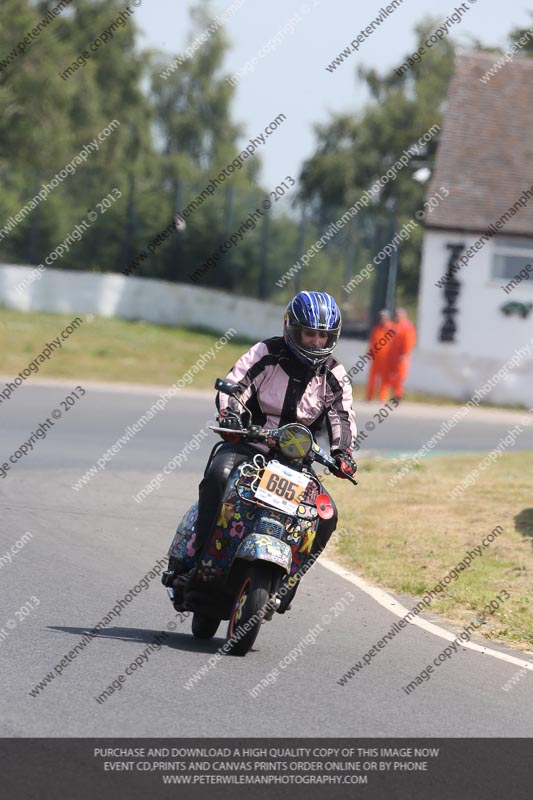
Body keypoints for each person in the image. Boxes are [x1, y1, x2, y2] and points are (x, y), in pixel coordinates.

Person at [188, 291, 358, 607]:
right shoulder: (266, 352)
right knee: (217, 475)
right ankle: (200, 554)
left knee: (327, 515)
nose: (316, 342)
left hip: (296, 461)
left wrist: (343, 453)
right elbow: (236, 385)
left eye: (323, 335)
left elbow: (343, 416)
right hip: (248, 445)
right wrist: (230, 414)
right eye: (309, 333)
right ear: (291, 329)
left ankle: (287, 581)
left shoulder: (334, 374)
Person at [383, 307, 416, 401]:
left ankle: (398, 395)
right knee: (392, 376)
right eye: (396, 314)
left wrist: (404, 354)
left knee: (399, 376)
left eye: (399, 314)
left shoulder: (407, 326)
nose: (397, 316)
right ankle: (395, 394)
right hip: (393, 356)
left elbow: (409, 342)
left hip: (401, 356)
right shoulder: (396, 325)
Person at [365, 309, 393, 401]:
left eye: (384, 317)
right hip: (376, 358)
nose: (382, 319)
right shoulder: (376, 329)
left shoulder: (392, 329)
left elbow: (395, 344)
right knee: (372, 377)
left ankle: (383, 397)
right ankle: (369, 396)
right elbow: (372, 342)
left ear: (388, 318)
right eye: (381, 317)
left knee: (384, 379)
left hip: (387, 358)